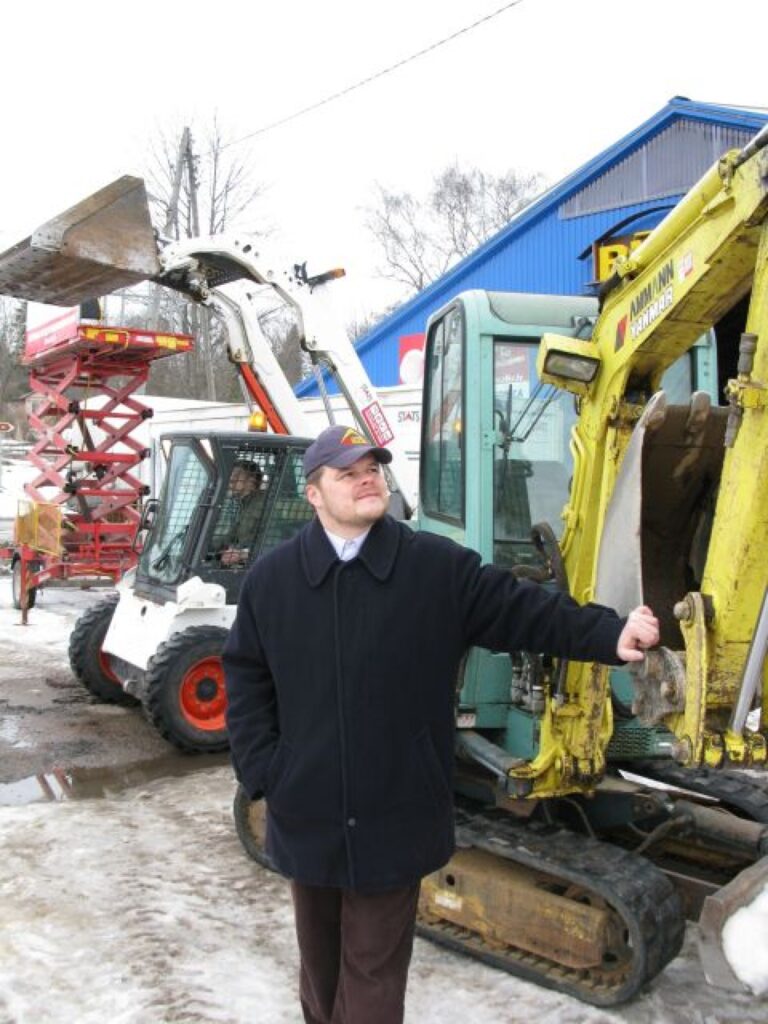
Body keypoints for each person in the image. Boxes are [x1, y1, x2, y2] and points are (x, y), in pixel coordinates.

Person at [223, 425, 659, 1024]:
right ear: (315, 494)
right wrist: (267, 770)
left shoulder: (431, 568)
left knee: (372, 973)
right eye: (347, 472)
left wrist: (610, 632)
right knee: (319, 966)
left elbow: (522, 609)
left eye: (372, 466)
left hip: (394, 809)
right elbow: (246, 675)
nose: (366, 478)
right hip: (308, 809)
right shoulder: (273, 580)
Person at [213, 460, 265, 567]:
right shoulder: (242, 504)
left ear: (251, 481)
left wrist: (243, 554)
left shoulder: (263, 504)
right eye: (231, 475)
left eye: (237, 475)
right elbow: (232, 535)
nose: (231, 479)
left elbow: (272, 540)